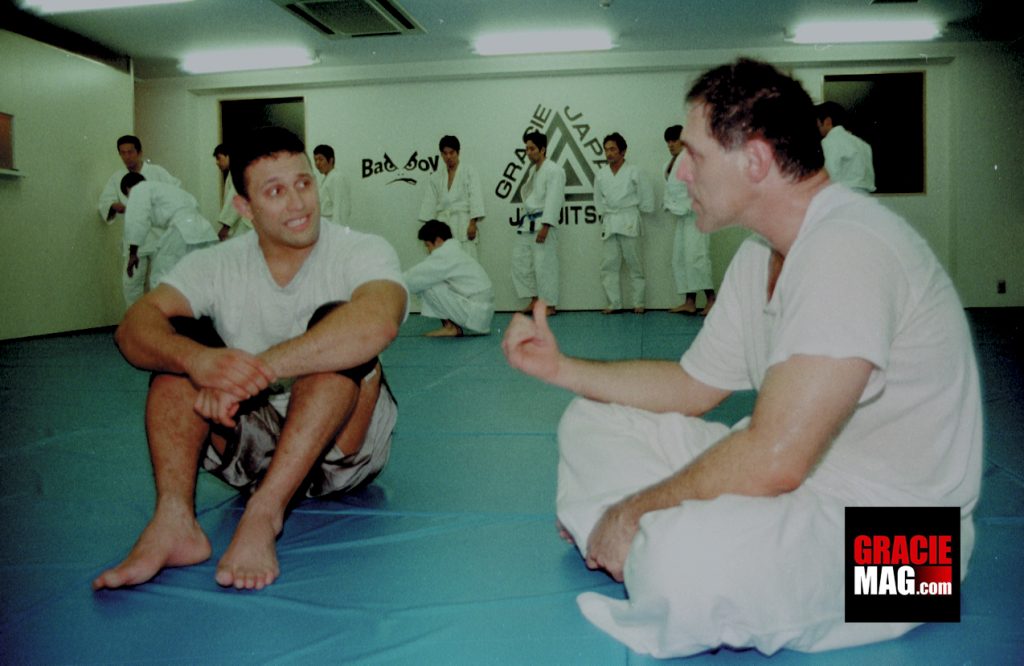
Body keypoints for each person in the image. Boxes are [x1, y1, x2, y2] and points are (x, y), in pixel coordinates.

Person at [502, 59, 981, 658]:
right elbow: (691, 385)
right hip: (797, 488)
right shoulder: (762, 256)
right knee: (589, 418)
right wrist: (562, 368)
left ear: (754, 160)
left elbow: (775, 459)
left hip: (911, 555)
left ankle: (637, 541)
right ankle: (640, 543)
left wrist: (631, 510)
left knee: (686, 568)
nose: (680, 172)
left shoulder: (851, 248)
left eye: (694, 155)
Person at [93, 127, 407, 592]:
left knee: (337, 328)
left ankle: (264, 514)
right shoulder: (216, 264)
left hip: (343, 450)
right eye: (275, 191)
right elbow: (133, 329)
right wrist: (201, 363)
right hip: (251, 454)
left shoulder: (360, 249)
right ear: (244, 207)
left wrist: (251, 373)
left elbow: (377, 323)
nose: (298, 203)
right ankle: (174, 520)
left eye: (303, 183)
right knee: (179, 340)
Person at [97, 135, 181, 306]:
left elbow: (176, 193)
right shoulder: (117, 177)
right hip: (135, 238)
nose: (127, 156)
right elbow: (105, 202)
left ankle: (162, 324)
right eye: (122, 153)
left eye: (130, 152)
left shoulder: (157, 172)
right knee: (131, 284)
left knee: (162, 282)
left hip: (159, 237)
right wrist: (116, 206)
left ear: (139, 152)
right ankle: (135, 324)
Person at [120, 173, 218, 291]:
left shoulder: (138, 189)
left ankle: (165, 308)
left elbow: (137, 219)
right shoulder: (169, 189)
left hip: (182, 231)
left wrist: (133, 252)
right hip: (204, 231)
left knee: (162, 277)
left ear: (128, 189)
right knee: (200, 278)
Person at [593, 132, 655, 314]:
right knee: (609, 265)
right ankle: (614, 303)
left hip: (629, 219)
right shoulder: (601, 174)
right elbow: (597, 199)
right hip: (611, 221)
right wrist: (603, 213)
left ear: (623, 151)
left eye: (612, 149)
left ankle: (639, 302)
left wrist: (644, 209)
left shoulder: (634, 171)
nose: (609, 153)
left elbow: (646, 194)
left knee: (635, 263)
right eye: (606, 150)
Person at [404, 220, 494, 337]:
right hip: (479, 315)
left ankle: (450, 327)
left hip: (475, 315)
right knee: (429, 280)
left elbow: (413, 277)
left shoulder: (445, 255)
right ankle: (453, 326)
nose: (428, 250)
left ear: (438, 241)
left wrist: (385, 283)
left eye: (428, 245)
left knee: (429, 284)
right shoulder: (454, 252)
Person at [663, 124, 715, 315]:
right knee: (681, 258)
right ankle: (690, 301)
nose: (670, 144)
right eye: (668, 141)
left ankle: (711, 299)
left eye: (674, 140)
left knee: (696, 258)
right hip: (682, 217)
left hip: (696, 216)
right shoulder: (673, 162)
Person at [512, 130, 564, 317]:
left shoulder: (554, 170)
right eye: (526, 149)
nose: (528, 152)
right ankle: (534, 300)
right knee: (522, 263)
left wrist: (546, 225)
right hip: (528, 223)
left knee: (545, 265)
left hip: (543, 223)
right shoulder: (534, 170)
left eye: (532, 148)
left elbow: (554, 199)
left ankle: (549, 305)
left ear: (543, 149)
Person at [418, 135, 486, 260]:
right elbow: (429, 204)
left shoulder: (469, 171)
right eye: (445, 153)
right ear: (441, 154)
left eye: (451, 153)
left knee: (467, 260)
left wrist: (472, 223)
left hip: (463, 224)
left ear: (458, 152)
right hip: (443, 226)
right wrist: (430, 232)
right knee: (444, 262)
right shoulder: (436, 177)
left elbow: (475, 197)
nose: (448, 157)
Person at [816, 101, 876, 193]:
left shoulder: (830, 142)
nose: (817, 128)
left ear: (827, 121)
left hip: (842, 196)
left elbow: (829, 175)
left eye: (818, 124)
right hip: (865, 197)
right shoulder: (863, 144)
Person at [213, 143, 252, 240]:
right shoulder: (235, 171)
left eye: (219, 158)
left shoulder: (238, 172)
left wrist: (225, 226)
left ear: (228, 156)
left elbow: (234, 200)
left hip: (244, 224)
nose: (217, 162)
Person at [313, 144, 352, 226]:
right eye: (315, 160)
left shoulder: (337, 177)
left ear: (330, 160)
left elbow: (340, 208)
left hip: (333, 227)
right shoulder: (328, 178)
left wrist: (337, 233)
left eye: (320, 159)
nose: (317, 163)